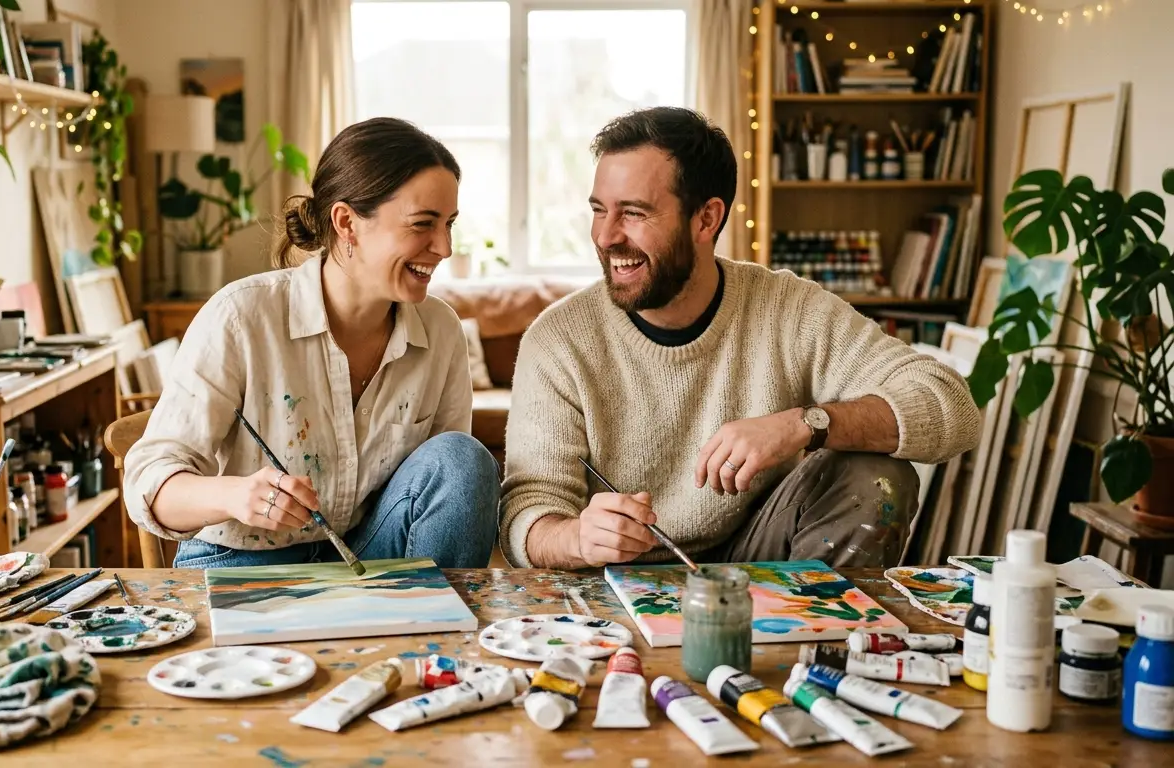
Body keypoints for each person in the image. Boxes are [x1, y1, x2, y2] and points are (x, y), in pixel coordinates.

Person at [499, 107, 981, 570]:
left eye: (633, 213)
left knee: (878, 476)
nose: (605, 237)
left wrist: (805, 423)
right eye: (600, 210)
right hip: (608, 583)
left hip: (762, 567)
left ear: (706, 219)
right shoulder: (559, 339)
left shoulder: (789, 309)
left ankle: (815, 643)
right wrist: (577, 538)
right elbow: (526, 515)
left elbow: (954, 406)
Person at [125, 117, 500, 569]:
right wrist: (237, 494)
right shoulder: (241, 317)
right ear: (347, 223)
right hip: (243, 559)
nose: (444, 247)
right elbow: (149, 482)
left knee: (463, 461)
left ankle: (434, 626)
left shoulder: (440, 331)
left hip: (364, 558)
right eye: (423, 224)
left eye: (449, 224)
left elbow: (445, 491)